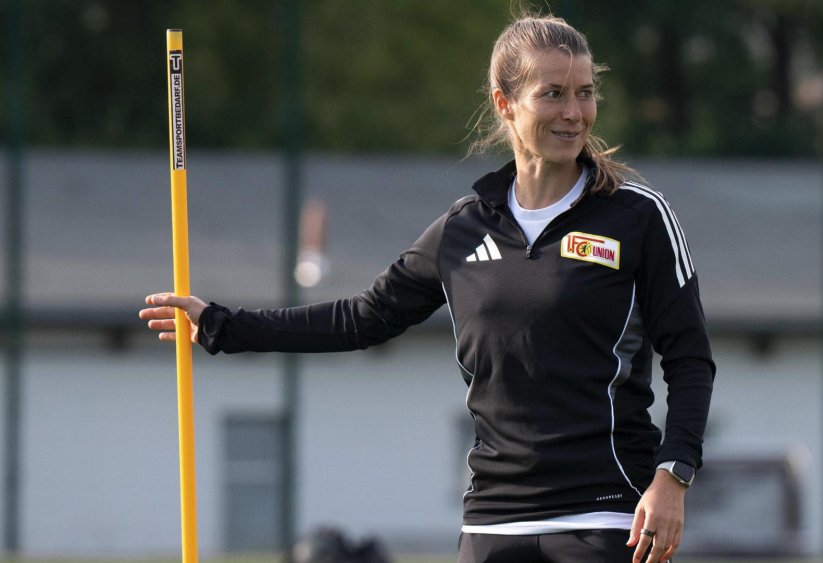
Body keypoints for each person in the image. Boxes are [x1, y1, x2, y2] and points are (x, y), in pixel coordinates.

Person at [140, 13, 714, 563]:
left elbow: (689, 359)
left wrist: (673, 475)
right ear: (504, 103)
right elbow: (362, 318)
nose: (574, 112)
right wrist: (219, 325)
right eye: (553, 94)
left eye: (585, 93)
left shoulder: (638, 217)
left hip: (609, 517)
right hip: (493, 522)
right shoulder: (463, 229)